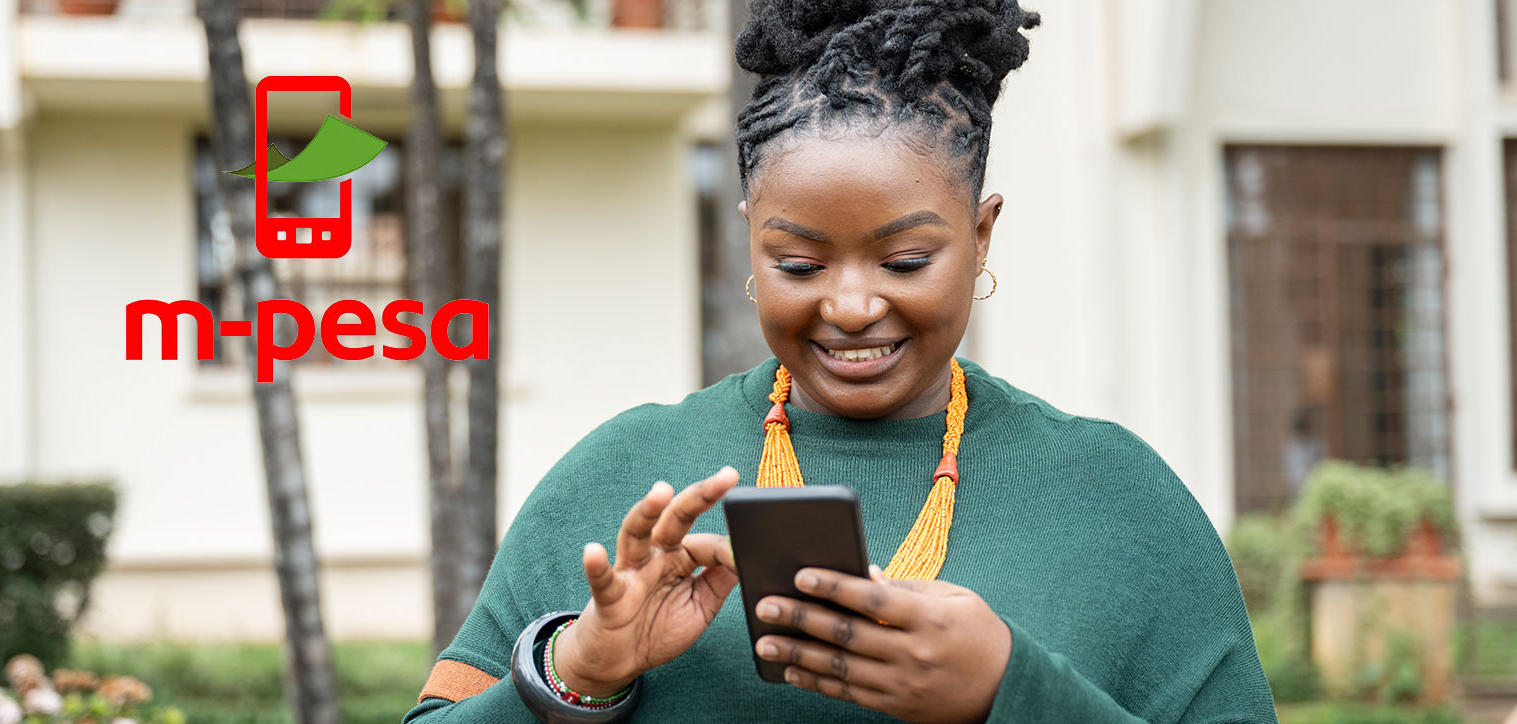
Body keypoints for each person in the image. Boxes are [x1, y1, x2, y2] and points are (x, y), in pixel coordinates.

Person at [404, 0, 1277, 721]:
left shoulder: (1114, 498)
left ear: (980, 237)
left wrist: (1011, 692)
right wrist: (577, 672)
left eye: (903, 263)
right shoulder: (629, 475)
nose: (851, 306)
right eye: (799, 264)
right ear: (752, 239)